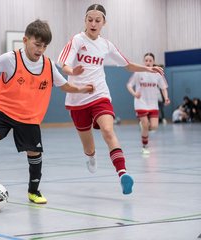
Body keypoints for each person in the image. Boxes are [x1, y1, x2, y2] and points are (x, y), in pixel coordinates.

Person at [0, 19, 94, 204]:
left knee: (35, 155)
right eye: (37, 44)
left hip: (29, 116)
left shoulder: (48, 65)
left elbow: (65, 86)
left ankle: (34, 191)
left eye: (44, 46)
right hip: (3, 110)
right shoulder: (10, 59)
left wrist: (81, 89)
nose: (40, 49)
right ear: (25, 40)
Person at [57, 4, 165, 195]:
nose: (93, 23)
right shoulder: (76, 40)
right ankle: (91, 157)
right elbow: (64, 64)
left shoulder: (106, 45)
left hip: (100, 95)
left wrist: (148, 69)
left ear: (104, 23)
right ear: (85, 20)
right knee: (88, 146)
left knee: (108, 130)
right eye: (90, 19)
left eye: (97, 20)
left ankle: (123, 173)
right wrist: (72, 71)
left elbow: (127, 65)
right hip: (78, 97)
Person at [127, 53, 170, 154]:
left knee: (154, 126)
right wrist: (134, 93)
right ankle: (145, 146)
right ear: (143, 61)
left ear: (153, 62)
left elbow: (163, 88)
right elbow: (129, 85)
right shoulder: (138, 72)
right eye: (146, 60)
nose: (148, 62)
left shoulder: (158, 74)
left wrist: (166, 98)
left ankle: (144, 128)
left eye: (150, 60)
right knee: (145, 124)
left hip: (153, 104)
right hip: (140, 102)